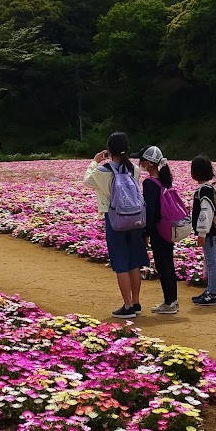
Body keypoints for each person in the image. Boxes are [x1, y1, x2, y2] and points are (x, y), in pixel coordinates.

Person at [83, 131, 147, 319]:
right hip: (135, 219)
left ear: (109, 150)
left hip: (115, 220)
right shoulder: (134, 169)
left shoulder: (103, 171)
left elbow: (87, 181)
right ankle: (135, 303)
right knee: (134, 263)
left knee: (121, 264)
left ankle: (126, 306)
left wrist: (95, 161)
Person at [138, 145, 179, 314]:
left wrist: (146, 232)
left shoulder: (149, 183)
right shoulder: (164, 179)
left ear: (148, 163)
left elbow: (151, 210)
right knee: (169, 264)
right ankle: (173, 300)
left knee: (162, 265)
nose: (139, 163)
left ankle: (168, 302)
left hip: (158, 229)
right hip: (168, 227)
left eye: (141, 161)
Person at [190, 154, 216, 306]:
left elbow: (205, 212)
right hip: (210, 232)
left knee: (212, 262)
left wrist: (202, 233)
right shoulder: (206, 188)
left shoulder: (205, 190)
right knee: (209, 262)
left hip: (208, 232)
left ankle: (213, 294)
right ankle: (209, 291)